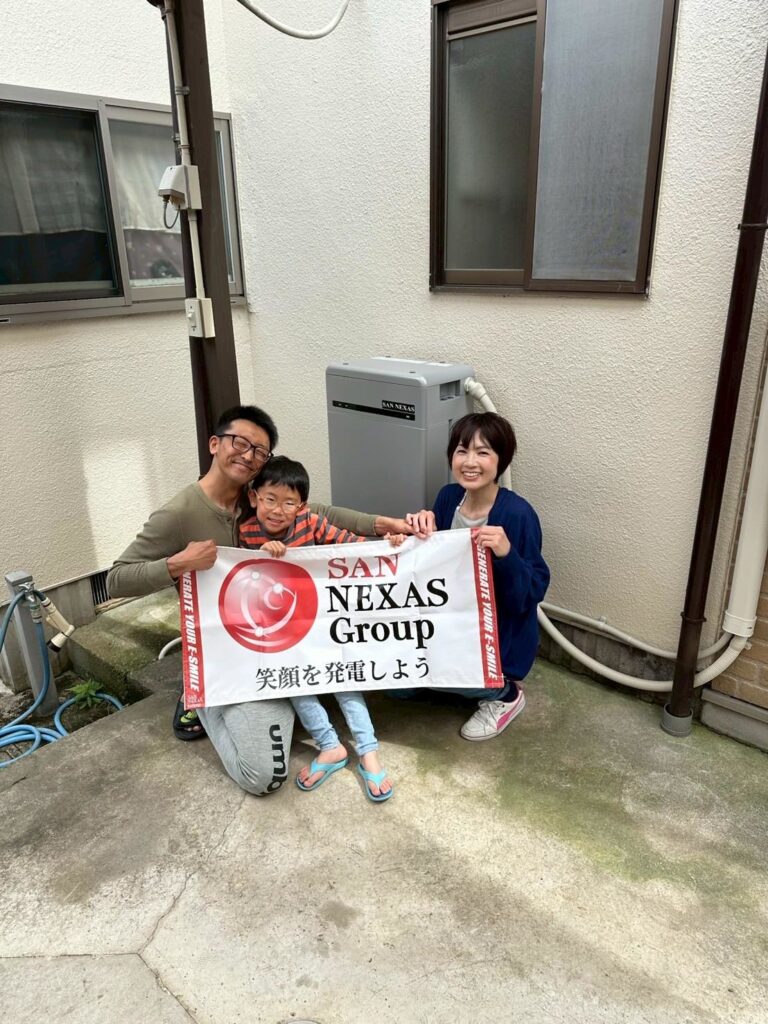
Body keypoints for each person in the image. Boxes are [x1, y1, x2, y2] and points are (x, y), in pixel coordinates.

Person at [107, 405, 409, 796]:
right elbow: (116, 579)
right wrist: (178, 563)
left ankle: (353, 745)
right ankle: (200, 692)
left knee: (333, 677)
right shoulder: (178, 514)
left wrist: (388, 527)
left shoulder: (262, 501)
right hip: (229, 649)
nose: (249, 455)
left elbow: (322, 514)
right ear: (214, 444)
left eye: (260, 451)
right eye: (239, 443)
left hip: (283, 638)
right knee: (263, 776)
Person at [240, 456, 398, 802]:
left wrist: (389, 545)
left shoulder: (311, 523)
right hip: (283, 632)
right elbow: (240, 580)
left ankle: (368, 751)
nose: (278, 510)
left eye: (289, 503)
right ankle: (329, 745)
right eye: (270, 499)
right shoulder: (246, 532)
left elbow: (350, 544)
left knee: (344, 680)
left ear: (302, 506)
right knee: (297, 686)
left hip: (324, 623)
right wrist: (260, 555)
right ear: (253, 497)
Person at [405, 412, 549, 741]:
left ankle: (506, 696)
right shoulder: (447, 498)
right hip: (449, 623)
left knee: (445, 678)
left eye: (482, 452)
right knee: (397, 687)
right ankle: (451, 681)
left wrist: (506, 554)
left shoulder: (518, 514)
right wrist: (418, 530)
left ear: (501, 460)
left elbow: (532, 592)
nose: (470, 462)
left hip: (495, 636)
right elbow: (431, 567)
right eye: (462, 451)